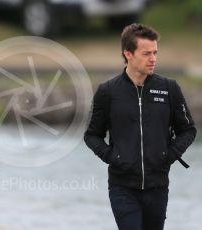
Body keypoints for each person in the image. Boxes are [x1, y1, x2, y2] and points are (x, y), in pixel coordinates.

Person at [84, 23, 196, 230]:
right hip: (122, 186)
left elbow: (188, 130)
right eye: (146, 53)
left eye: (155, 53)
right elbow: (92, 136)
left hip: (158, 186)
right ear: (128, 54)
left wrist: (168, 155)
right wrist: (113, 157)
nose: (153, 58)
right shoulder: (107, 92)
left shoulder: (169, 88)